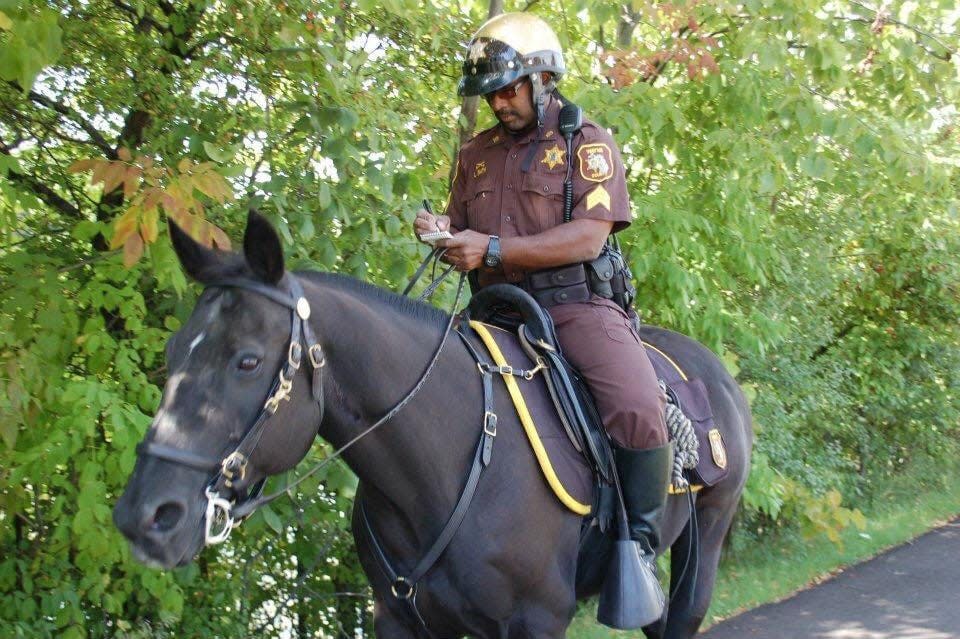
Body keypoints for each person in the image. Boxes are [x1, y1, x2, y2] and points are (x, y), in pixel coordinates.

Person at [413, 12, 672, 624]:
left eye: (509, 89)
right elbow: (465, 234)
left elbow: (588, 237)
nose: (499, 103)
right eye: (490, 94)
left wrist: (493, 248)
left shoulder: (587, 143)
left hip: (573, 305)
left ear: (543, 77)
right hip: (491, 311)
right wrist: (443, 235)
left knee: (637, 406)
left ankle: (637, 546)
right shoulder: (473, 155)